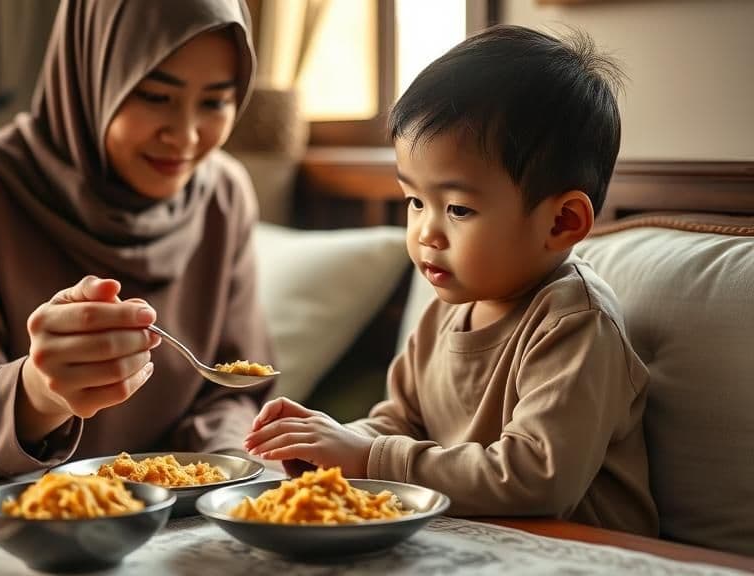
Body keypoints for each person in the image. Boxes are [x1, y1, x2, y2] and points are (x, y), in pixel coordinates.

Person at [244, 25, 659, 536]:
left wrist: (369, 455)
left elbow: (536, 478)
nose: (425, 233)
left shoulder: (575, 323)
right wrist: (326, 444)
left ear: (562, 222)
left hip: (585, 554)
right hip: (475, 539)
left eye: (458, 208)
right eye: (415, 202)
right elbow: (397, 423)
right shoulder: (446, 309)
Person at [0, 0, 273, 487]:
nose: (187, 136)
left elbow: (233, 389)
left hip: (167, 525)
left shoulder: (224, 194)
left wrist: (215, 469)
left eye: (215, 102)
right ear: (90, 75)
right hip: (5, 524)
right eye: (155, 96)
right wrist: (36, 393)